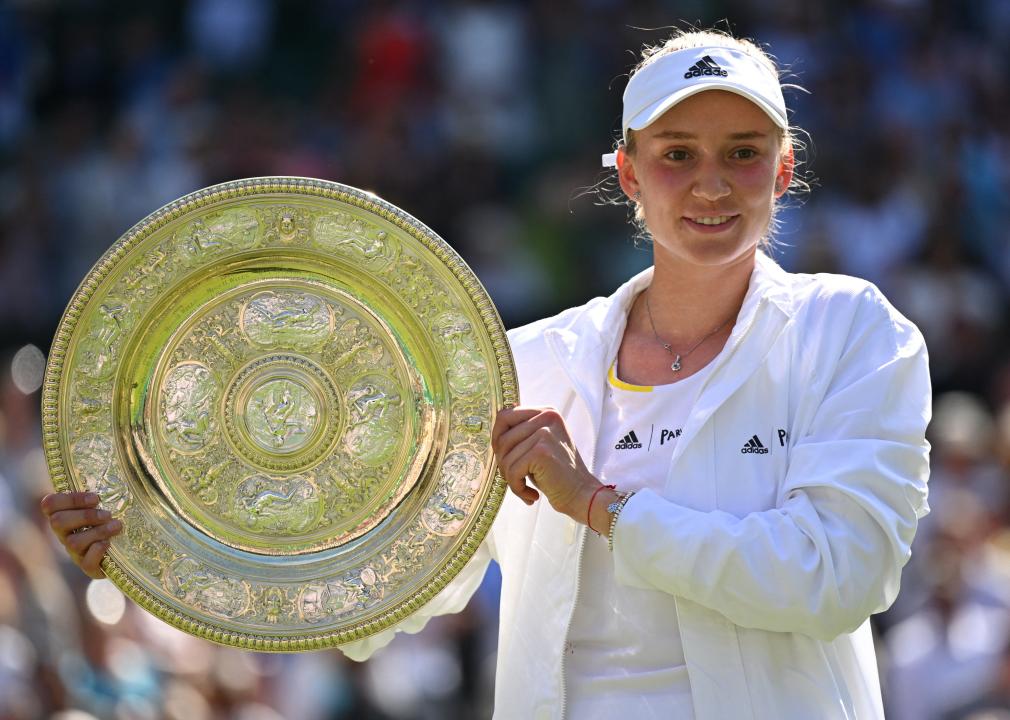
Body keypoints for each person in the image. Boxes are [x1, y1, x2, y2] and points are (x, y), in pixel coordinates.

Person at [42, 28, 931, 719]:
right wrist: (153, 546)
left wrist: (600, 505)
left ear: (784, 171)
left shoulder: (850, 332)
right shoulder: (528, 358)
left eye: (742, 152)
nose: (711, 183)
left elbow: (837, 578)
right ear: (628, 175)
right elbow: (394, 586)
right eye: (677, 153)